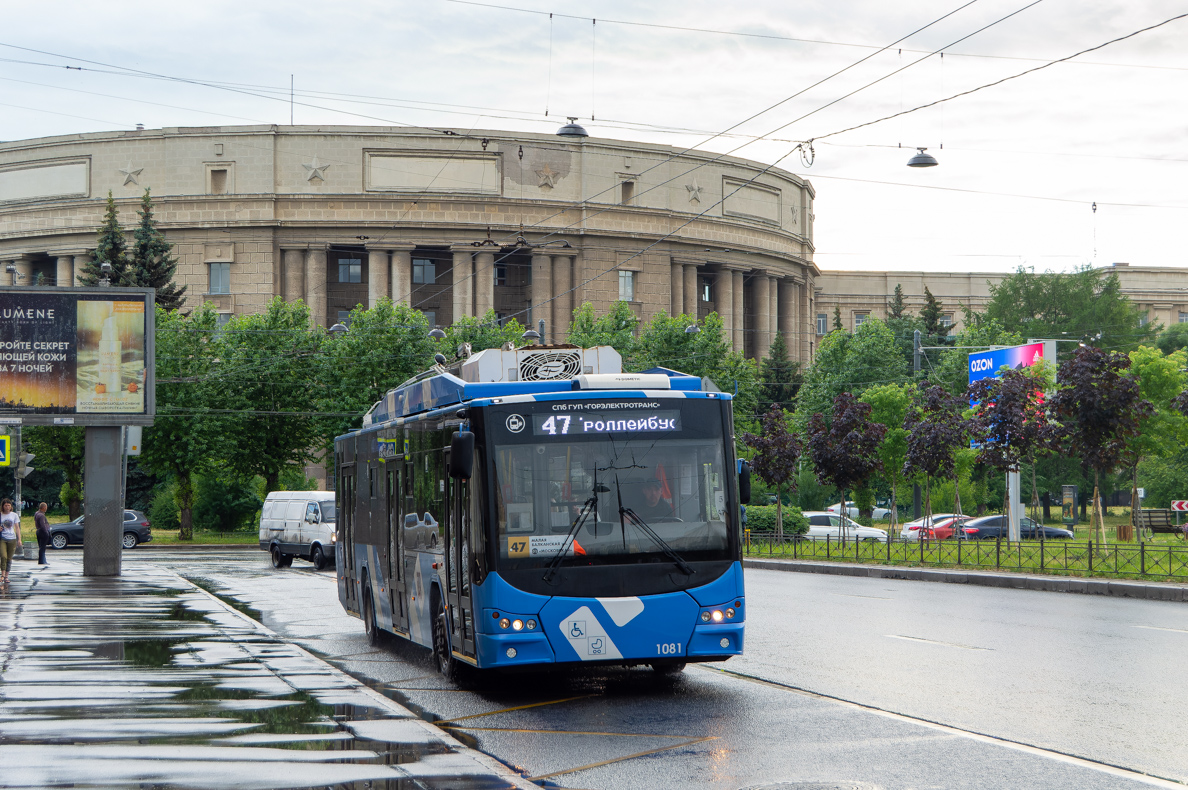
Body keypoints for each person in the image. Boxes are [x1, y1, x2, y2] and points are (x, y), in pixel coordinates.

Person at [0, 498, 22, 584]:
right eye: (6, 505)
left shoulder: (14, 515)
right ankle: (2, 575)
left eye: (9, 505)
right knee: (3, 556)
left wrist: (19, 539)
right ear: (3, 506)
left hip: (12, 539)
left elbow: (17, 527)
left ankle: (6, 576)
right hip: (2, 538)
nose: (7, 507)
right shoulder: (0, 515)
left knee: (9, 558)